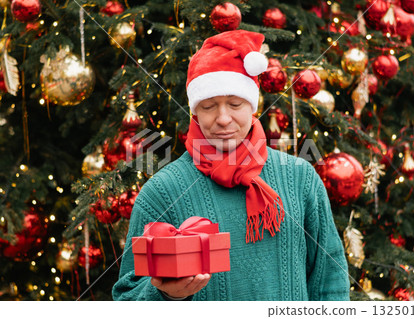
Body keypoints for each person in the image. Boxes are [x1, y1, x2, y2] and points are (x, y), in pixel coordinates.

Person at [112, 30, 350, 301]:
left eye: (235, 104)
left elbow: (330, 281)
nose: (223, 119)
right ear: (195, 113)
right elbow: (127, 298)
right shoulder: (162, 192)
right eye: (209, 106)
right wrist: (166, 295)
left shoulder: (300, 178)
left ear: (253, 107)